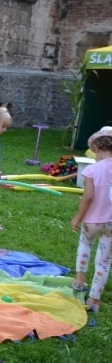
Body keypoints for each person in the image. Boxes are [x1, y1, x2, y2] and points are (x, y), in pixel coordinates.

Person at [71, 127, 112, 313]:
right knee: (104, 261)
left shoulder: (92, 169)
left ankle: (79, 280)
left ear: (97, 147)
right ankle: (94, 299)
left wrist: (78, 217)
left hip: (92, 222)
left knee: (85, 244)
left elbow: (87, 197)